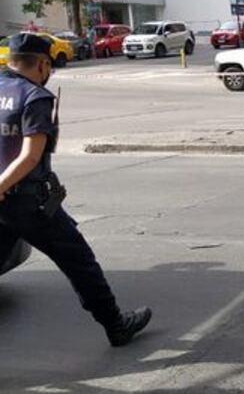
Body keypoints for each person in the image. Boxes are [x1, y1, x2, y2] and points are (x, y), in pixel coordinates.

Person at [0, 33, 151, 346]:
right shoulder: (34, 96)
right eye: (49, 67)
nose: (50, 73)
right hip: (29, 204)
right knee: (80, 262)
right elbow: (30, 156)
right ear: (41, 64)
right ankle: (116, 325)